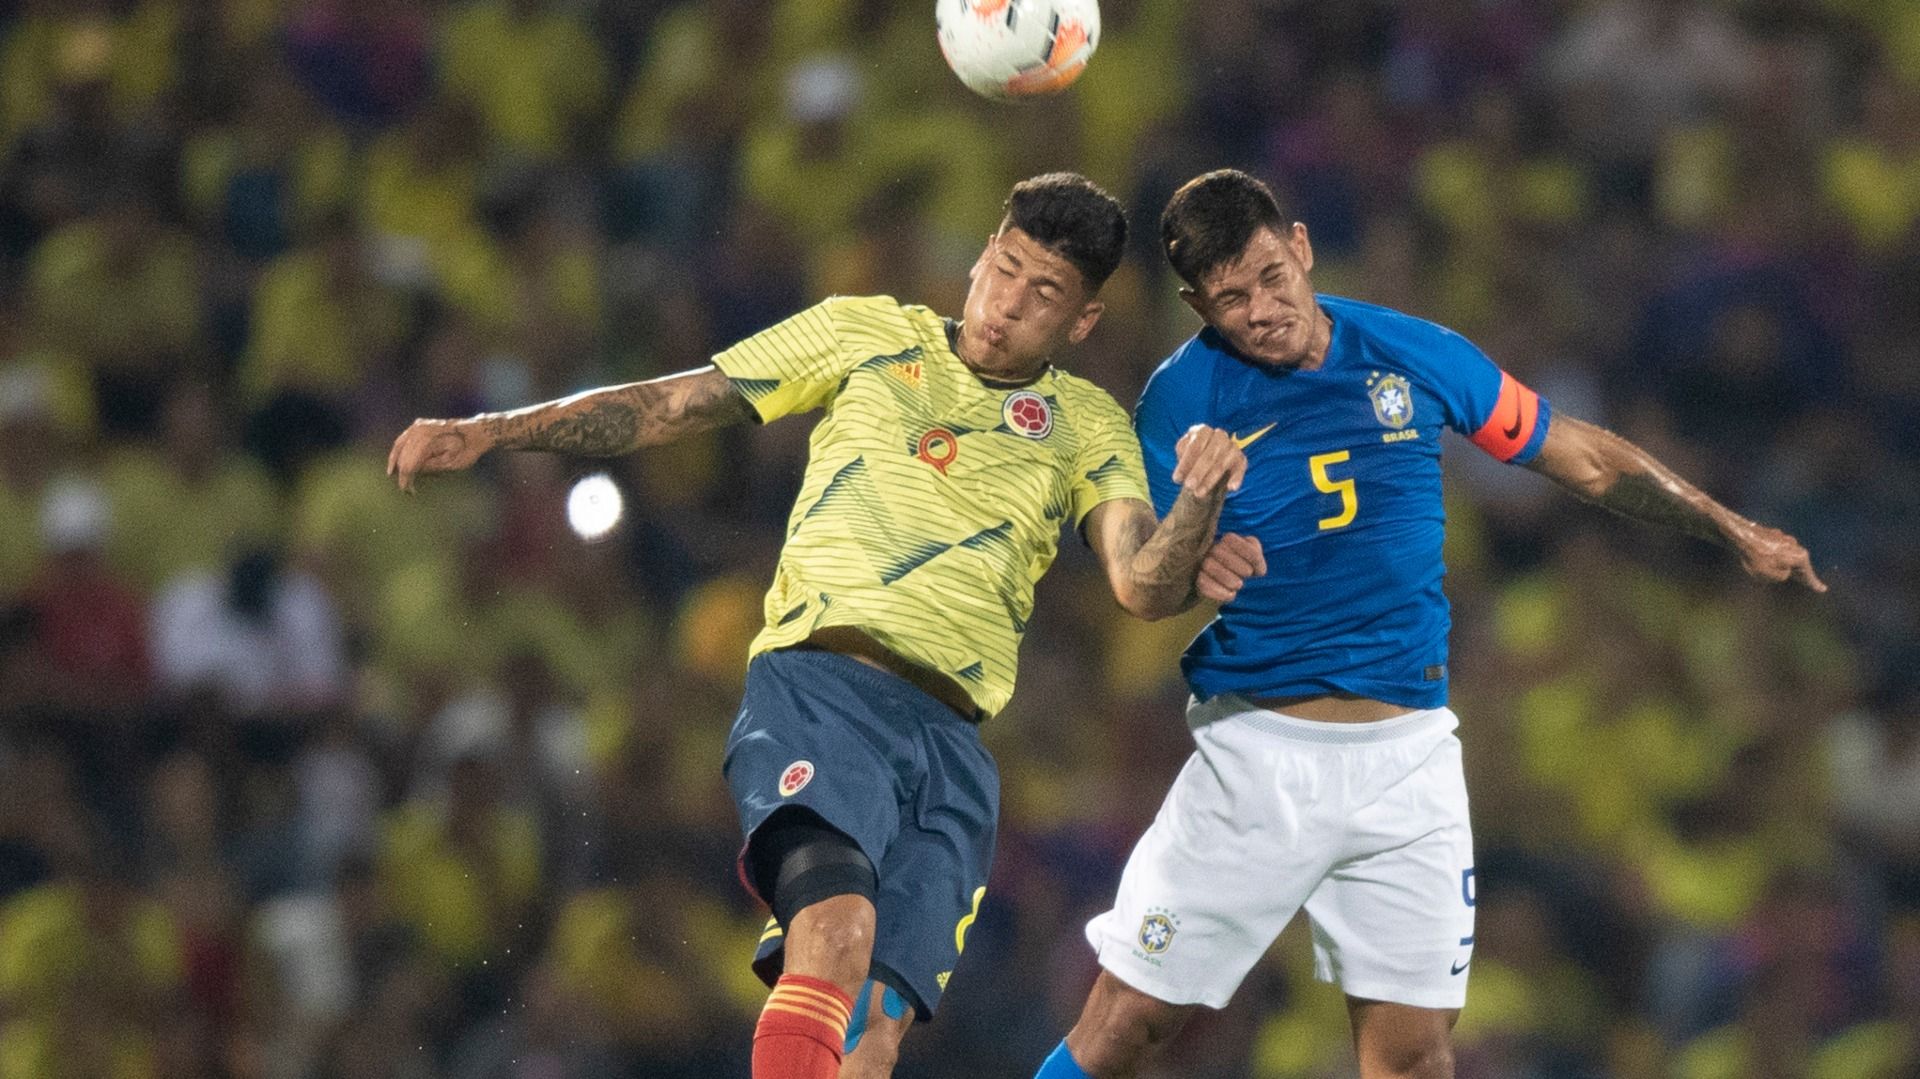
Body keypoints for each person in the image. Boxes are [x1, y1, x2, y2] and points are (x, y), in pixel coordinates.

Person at [388, 173, 1248, 1079]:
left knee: (873, 1039)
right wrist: (495, 431)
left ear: (1082, 323)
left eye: (1045, 294)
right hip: (822, 690)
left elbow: (1142, 584)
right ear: (978, 258)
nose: (1006, 305)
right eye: (1004, 269)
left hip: (953, 749)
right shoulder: (865, 333)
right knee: (836, 926)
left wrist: (1197, 502)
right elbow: (671, 405)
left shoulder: (1087, 426)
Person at [1032, 168, 1826, 1079]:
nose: (1259, 310)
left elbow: (1585, 458)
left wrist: (1729, 526)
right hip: (1257, 756)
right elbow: (1147, 589)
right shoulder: (1183, 398)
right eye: (1228, 299)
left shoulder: (1412, 352)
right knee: (1127, 1023)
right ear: (1194, 303)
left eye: (1268, 277)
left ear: (1300, 245)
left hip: (1408, 760)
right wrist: (1198, 509)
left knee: (1413, 1057)